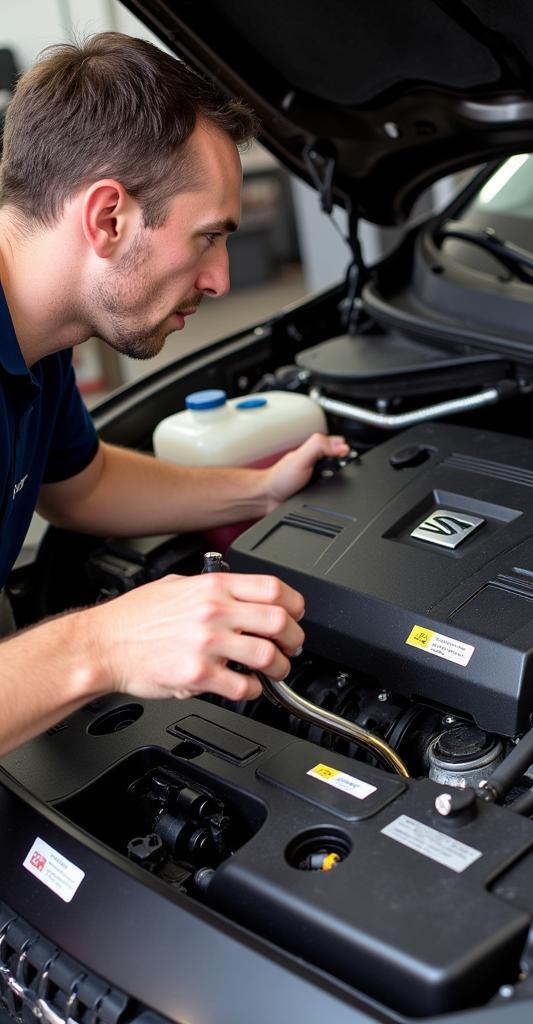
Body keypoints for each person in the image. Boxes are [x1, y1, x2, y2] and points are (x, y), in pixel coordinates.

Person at [0, 33, 348, 756]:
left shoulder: (41, 338)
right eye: (206, 237)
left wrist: (256, 491)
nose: (221, 279)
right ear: (107, 218)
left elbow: (80, 486)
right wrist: (106, 641)